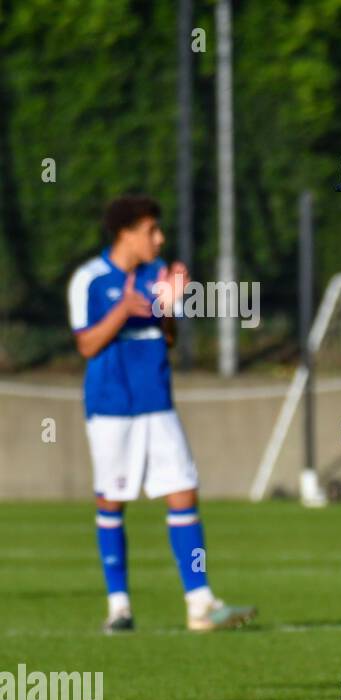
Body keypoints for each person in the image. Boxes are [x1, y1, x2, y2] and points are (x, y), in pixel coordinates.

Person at [68, 195, 256, 634]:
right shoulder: (89, 280)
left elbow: (166, 337)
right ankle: (119, 607)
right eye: (152, 230)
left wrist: (169, 306)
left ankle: (200, 602)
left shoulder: (159, 274)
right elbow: (86, 345)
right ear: (126, 233)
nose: (160, 238)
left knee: (184, 492)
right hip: (112, 407)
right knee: (111, 500)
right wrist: (122, 310)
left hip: (158, 402)